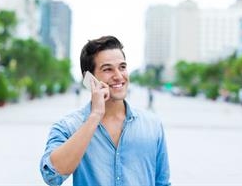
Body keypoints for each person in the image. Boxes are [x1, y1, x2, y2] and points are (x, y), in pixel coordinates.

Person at [40, 36, 171, 186]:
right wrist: (95, 116)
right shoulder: (68, 126)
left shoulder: (152, 125)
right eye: (108, 69)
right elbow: (51, 176)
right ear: (89, 79)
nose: (118, 76)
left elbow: (162, 182)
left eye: (122, 67)